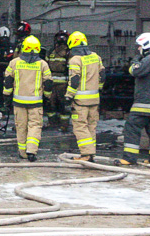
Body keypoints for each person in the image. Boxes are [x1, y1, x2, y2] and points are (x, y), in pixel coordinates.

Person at [117, 33, 150, 167]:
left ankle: (129, 158)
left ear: (147, 45)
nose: (138, 49)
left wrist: (136, 61)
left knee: (131, 127)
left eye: (140, 46)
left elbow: (134, 71)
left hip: (144, 104)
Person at [3, 35, 53, 162]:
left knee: (21, 127)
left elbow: (8, 81)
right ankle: (31, 151)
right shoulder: (43, 64)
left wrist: (7, 97)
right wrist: (47, 96)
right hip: (35, 103)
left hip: (18, 102)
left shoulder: (14, 63)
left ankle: (22, 152)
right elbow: (48, 83)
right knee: (34, 126)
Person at [65, 31, 105, 162]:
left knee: (80, 127)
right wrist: (98, 88)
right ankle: (91, 153)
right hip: (94, 99)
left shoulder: (75, 60)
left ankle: (86, 154)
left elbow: (75, 80)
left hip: (80, 102)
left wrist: (68, 96)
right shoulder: (96, 57)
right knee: (91, 126)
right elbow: (102, 75)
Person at [45, 30, 71, 129]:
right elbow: (45, 65)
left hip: (63, 84)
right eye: (59, 37)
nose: (60, 40)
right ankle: (52, 123)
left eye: (63, 37)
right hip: (51, 83)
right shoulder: (51, 51)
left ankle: (64, 125)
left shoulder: (68, 52)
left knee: (63, 105)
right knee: (50, 104)